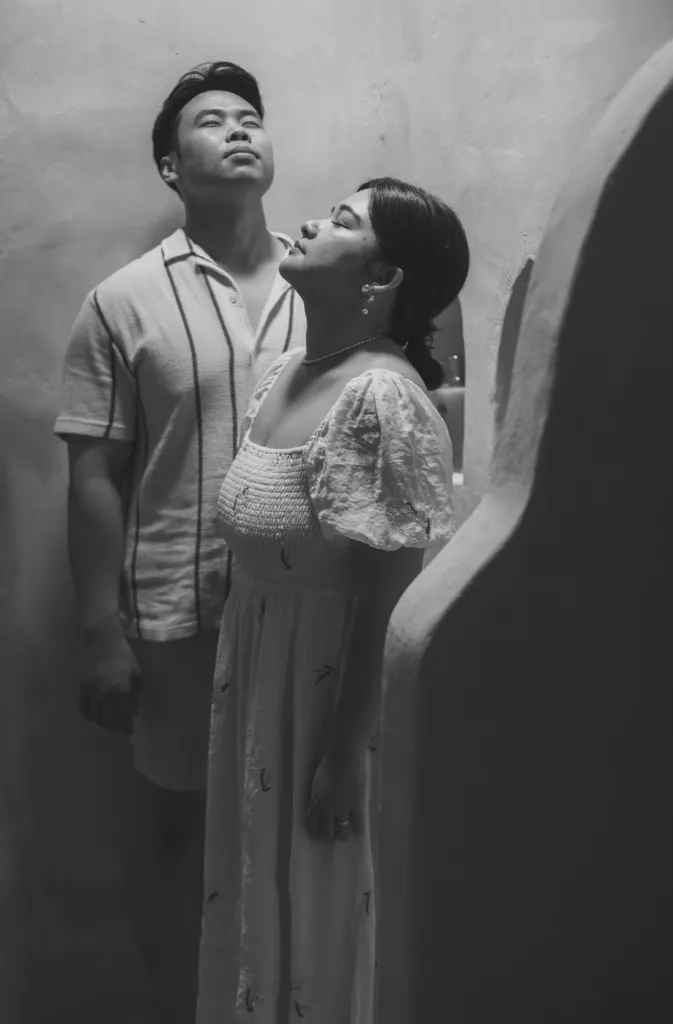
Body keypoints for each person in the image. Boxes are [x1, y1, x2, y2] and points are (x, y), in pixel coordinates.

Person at [54, 62, 305, 1024]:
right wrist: (98, 631)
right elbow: (93, 475)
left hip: (304, 612)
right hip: (174, 618)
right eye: (211, 122)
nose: (239, 130)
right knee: (175, 831)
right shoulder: (121, 302)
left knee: (291, 828)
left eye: (250, 118)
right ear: (171, 166)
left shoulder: (325, 279)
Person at [196, 177, 469, 1023]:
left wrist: (344, 757)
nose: (312, 221)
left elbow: (388, 597)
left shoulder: (381, 398)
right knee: (252, 897)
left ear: (381, 278)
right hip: (257, 680)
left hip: (321, 703)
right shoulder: (286, 371)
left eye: (344, 221)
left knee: (315, 914)